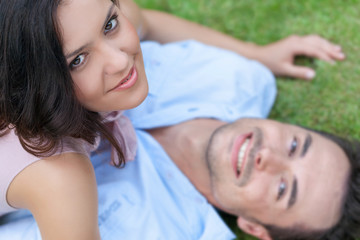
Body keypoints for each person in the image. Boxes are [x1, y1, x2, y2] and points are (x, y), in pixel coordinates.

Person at [0, 0, 346, 239]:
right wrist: (258, 54)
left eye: (283, 188)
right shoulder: (243, 78)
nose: (267, 158)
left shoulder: (157, 230)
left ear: (256, 229)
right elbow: (141, 20)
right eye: (294, 145)